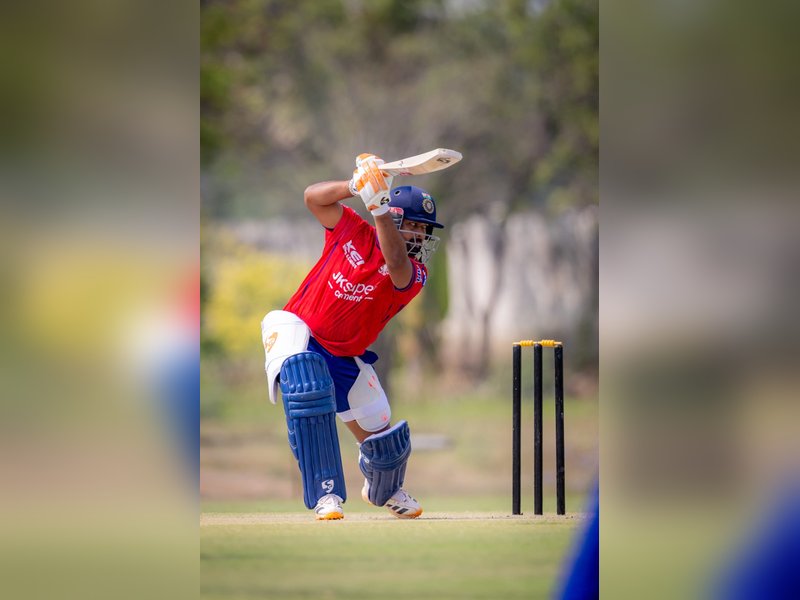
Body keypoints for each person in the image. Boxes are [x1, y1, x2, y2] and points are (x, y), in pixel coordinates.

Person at [260, 153, 444, 520]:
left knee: (386, 446)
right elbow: (313, 197)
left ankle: (386, 488)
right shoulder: (351, 230)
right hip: (299, 330)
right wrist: (355, 185)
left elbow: (394, 266)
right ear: (396, 219)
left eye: (426, 231)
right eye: (416, 227)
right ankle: (326, 495)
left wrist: (378, 206)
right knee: (308, 387)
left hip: (345, 355)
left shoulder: (414, 272)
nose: (421, 236)